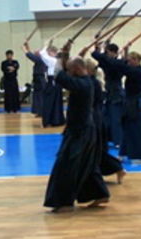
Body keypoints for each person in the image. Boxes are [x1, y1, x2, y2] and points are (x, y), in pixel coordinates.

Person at [44, 42, 110, 212]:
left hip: (79, 131)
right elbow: (65, 69)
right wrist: (65, 53)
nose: (69, 72)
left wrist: (59, 57)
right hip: (85, 129)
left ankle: (63, 202)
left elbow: (58, 74)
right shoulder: (85, 80)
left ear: (76, 70)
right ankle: (100, 194)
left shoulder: (82, 85)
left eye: (71, 70)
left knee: (65, 165)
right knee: (86, 165)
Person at [85, 59, 126, 184]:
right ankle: (116, 169)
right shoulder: (93, 82)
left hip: (94, 120)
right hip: (95, 118)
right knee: (96, 151)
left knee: (96, 151)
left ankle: (117, 168)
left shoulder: (92, 83)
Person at [91, 43, 125, 146]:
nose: (106, 54)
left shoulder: (114, 63)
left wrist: (97, 46)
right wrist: (99, 46)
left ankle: (118, 141)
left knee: (115, 118)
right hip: (109, 92)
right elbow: (99, 57)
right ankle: (109, 138)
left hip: (115, 92)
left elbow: (97, 55)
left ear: (112, 52)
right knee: (106, 117)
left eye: (107, 52)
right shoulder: (117, 61)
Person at [36, 42, 66, 127]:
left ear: (53, 52)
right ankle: (56, 120)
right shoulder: (55, 60)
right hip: (55, 82)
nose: (48, 54)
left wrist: (46, 44)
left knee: (49, 102)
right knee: (56, 102)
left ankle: (49, 121)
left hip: (52, 82)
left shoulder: (53, 60)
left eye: (49, 52)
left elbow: (42, 53)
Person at [23, 41, 47, 117]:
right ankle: (39, 112)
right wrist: (27, 46)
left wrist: (24, 49)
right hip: (37, 79)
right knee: (36, 96)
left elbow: (30, 55)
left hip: (40, 79)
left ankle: (42, 112)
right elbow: (31, 55)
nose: (34, 53)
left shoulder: (40, 60)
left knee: (39, 96)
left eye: (36, 53)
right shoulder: (39, 59)